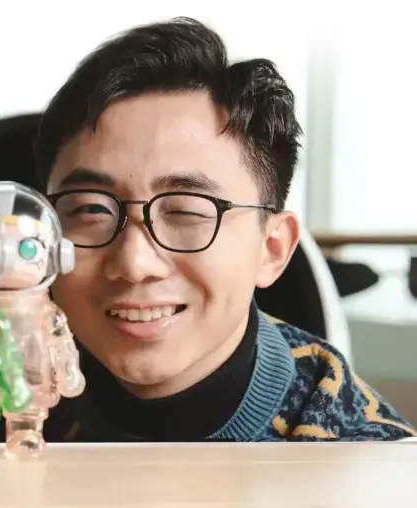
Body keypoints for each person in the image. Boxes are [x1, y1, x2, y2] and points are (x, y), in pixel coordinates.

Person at [33, 17, 415, 442]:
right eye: (91, 208)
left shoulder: (358, 457)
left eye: (186, 212)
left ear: (272, 248)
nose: (134, 264)